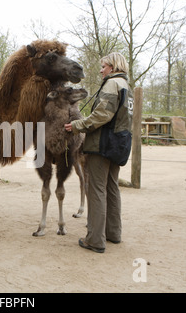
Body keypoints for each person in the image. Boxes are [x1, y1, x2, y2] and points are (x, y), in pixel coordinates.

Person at [64, 52, 134, 253]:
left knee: (96, 189)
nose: (101, 70)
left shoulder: (112, 85)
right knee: (112, 188)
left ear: (113, 66)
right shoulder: (126, 87)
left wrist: (77, 125)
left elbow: (102, 115)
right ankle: (113, 233)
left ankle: (94, 239)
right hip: (119, 144)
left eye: (104, 66)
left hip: (103, 145)